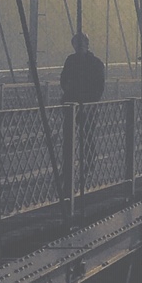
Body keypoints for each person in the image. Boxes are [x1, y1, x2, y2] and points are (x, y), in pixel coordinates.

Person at [60, 33, 105, 191]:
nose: (78, 47)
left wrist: (90, 102)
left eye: (80, 44)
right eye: (76, 44)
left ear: (86, 44)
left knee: (87, 136)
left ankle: (89, 164)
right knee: (69, 137)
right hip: (72, 104)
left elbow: (99, 86)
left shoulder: (94, 63)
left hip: (87, 106)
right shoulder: (72, 61)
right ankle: (68, 166)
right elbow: (63, 80)